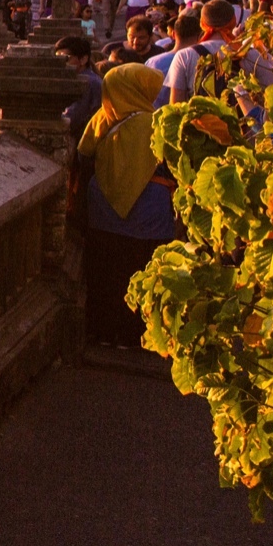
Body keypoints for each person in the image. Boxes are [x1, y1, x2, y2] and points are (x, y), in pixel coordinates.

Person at [75, 65, 177, 347]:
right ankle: (138, 336)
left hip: (103, 207)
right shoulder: (158, 122)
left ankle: (103, 332)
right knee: (145, 269)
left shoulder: (101, 119)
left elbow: (83, 157)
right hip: (150, 208)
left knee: (105, 270)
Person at [58, 35, 103, 134]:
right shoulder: (72, 78)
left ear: (83, 59)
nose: (61, 63)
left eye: (66, 58)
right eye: (58, 58)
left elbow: (73, 116)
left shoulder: (88, 82)